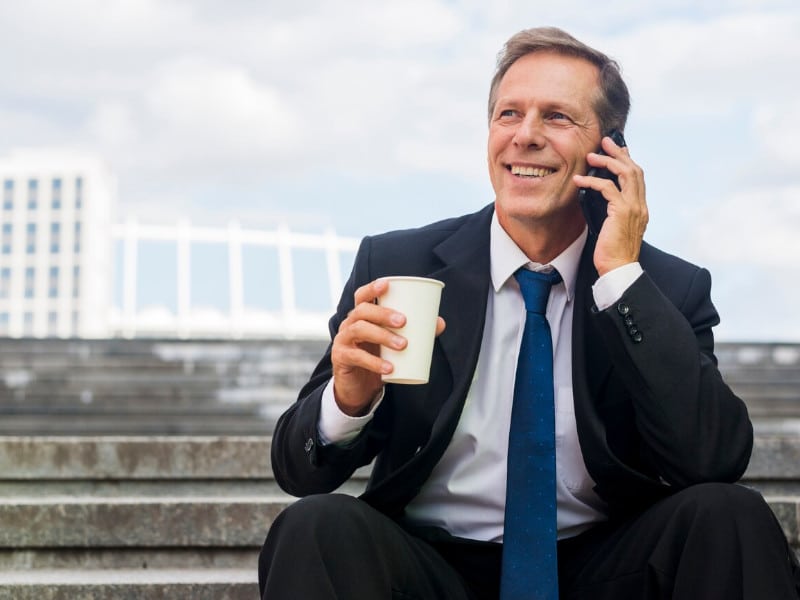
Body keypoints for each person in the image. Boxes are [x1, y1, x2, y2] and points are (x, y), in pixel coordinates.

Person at [259, 26, 800, 599]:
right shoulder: (398, 263)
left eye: (557, 117)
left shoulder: (665, 287)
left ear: (610, 151)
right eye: (508, 114)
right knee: (316, 525)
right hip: (432, 568)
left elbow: (714, 459)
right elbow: (301, 472)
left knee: (728, 514)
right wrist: (347, 400)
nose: (525, 136)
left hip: (601, 567)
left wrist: (619, 275)